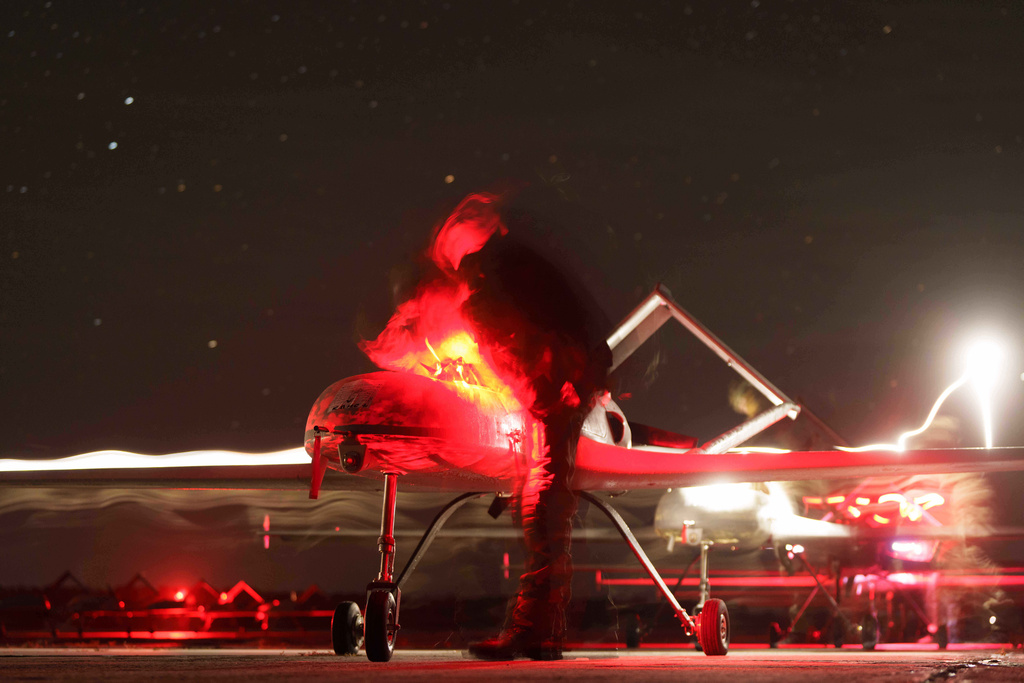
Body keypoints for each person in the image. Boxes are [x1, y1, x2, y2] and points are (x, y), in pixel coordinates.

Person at [429, 189, 612, 660]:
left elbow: (522, 341)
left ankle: (537, 633)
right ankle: (539, 633)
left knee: (543, 513)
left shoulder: (496, 276)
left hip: (554, 402)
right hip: (553, 399)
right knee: (539, 513)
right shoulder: (512, 272)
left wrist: (562, 389)